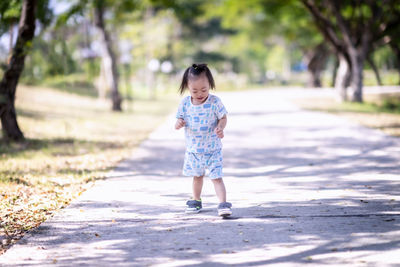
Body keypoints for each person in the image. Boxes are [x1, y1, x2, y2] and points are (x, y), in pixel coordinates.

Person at [175, 63, 232, 217]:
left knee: (216, 177)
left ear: (210, 85)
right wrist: (179, 123)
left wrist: (221, 127)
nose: (199, 93)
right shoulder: (185, 104)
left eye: (204, 89)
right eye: (194, 90)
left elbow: (223, 117)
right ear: (187, 87)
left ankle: (222, 204)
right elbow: (179, 119)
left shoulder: (214, 102)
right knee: (197, 177)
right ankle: (196, 200)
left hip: (213, 149)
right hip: (194, 150)